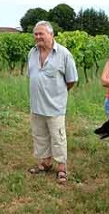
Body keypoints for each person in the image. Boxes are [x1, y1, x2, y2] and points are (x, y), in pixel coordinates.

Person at [27, 21, 78, 184]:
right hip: (36, 105)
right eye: (35, 34)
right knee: (40, 136)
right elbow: (32, 75)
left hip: (55, 106)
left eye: (41, 33)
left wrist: (58, 93)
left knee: (58, 137)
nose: (38, 37)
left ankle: (62, 168)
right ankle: (45, 163)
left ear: (51, 35)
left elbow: (71, 80)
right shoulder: (32, 53)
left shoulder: (64, 54)